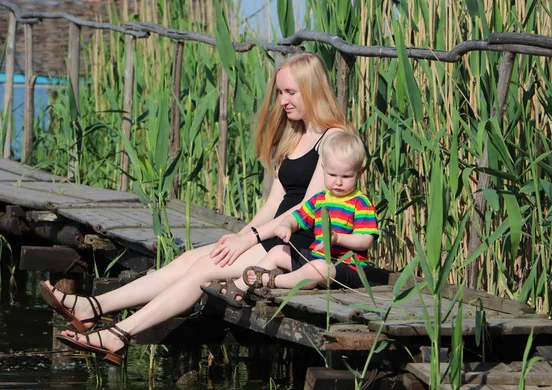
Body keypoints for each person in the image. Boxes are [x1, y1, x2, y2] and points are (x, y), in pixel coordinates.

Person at [38, 52, 357, 366]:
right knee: (190, 259)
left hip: (301, 249)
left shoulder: (333, 139)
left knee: (202, 273)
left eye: (290, 92)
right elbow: (274, 202)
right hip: (274, 237)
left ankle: (120, 334)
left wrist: (249, 240)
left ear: (312, 89)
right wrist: (240, 236)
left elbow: (307, 207)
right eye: (279, 93)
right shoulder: (297, 135)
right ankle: (93, 306)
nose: (283, 101)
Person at [202, 131, 378, 308]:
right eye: (332, 175)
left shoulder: (360, 203)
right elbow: (298, 217)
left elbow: (366, 240)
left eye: (346, 177)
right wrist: (287, 225)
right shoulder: (320, 199)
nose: (338, 182)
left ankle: (272, 280)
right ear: (323, 169)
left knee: (318, 269)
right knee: (278, 251)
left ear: (359, 173)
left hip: (346, 268)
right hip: (316, 256)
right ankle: (238, 288)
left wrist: (337, 238)